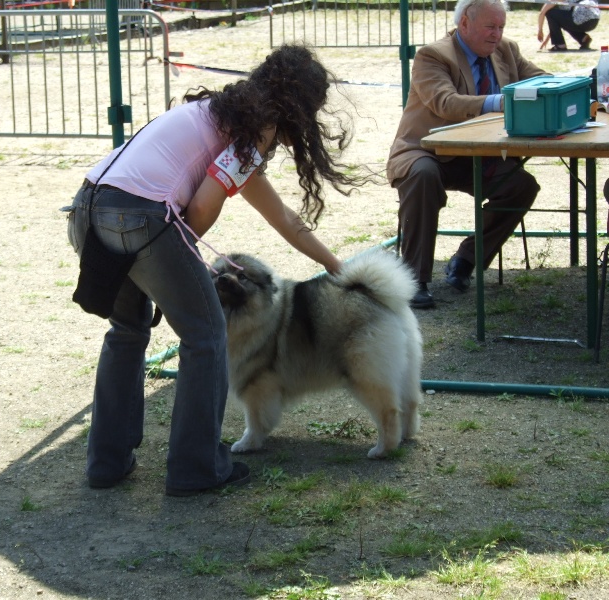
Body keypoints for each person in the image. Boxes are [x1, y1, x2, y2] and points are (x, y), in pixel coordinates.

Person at [64, 44, 363, 497]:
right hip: (139, 216)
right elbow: (202, 206)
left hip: (88, 206)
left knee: (127, 332)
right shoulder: (255, 133)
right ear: (297, 104)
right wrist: (179, 258)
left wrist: (335, 267)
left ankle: (106, 463)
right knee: (206, 336)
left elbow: (284, 219)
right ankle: (195, 469)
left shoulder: (218, 118)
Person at [387, 0, 548, 309]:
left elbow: (540, 79)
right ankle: (413, 280)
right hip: (426, 149)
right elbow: (445, 103)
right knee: (422, 175)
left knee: (521, 186)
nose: (497, 35)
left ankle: (466, 260)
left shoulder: (507, 50)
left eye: (501, 27)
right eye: (490, 27)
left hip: (478, 153)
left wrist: (574, 86)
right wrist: (502, 102)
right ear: (464, 24)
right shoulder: (432, 55)